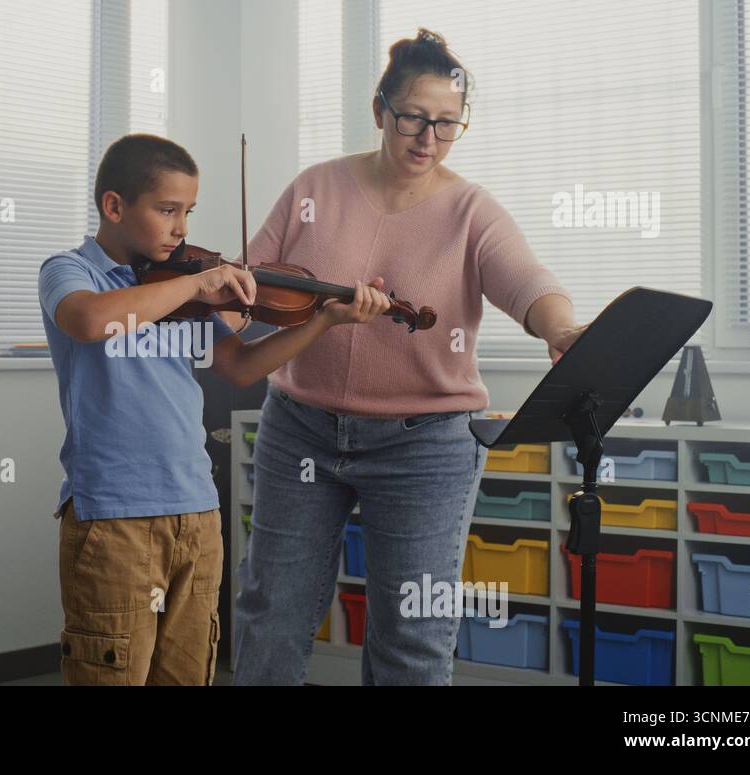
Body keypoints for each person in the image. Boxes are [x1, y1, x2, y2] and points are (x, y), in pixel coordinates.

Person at [232, 29, 588, 685]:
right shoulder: (315, 187)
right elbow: (248, 289)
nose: (429, 139)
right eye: (414, 120)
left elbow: (528, 281)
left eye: (447, 125)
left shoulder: (471, 210)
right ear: (380, 111)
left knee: (412, 635)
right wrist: (213, 301)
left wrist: (559, 327)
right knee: (272, 612)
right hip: (301, 429)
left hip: (424, 443)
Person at [39, 133, 389, 684]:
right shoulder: (72, 272)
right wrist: (199, 283)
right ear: (113, 205)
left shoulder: (181, 286)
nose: (182, 228)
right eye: (167, 210)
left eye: (189, 212)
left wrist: (322, 320)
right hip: (113, 517)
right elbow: (88, 321)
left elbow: (243, 367)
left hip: (197, 514)